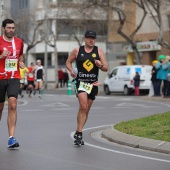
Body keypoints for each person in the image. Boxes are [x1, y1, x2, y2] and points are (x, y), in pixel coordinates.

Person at [66, 30, 108, 145]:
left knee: (86, 110)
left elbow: (106, 68)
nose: (91, 40)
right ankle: (79, 134)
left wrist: (100, 65)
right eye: (89, 38)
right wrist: (71, 71)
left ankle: (78, 130)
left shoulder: (99, 51)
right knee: (83, 106)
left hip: (93, 84)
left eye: (93, 38)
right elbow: (68, 62)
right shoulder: (77, 50)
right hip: (80, 82)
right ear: (84, 38)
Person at [0, 19, 24, 148]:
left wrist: (21, 62)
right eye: (9, 28)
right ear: (3, 28)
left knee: (13, 104)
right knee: (0, 108)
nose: (11, 30)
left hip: (14, 76)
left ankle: (11, 138)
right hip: (0, 77)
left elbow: (20, 55)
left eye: (13, 28)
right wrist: (1, 57)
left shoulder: (19, 42)